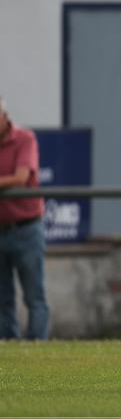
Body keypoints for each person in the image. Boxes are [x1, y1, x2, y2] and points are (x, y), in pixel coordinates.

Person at [0, 97, 49, 340]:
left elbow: (20, 177)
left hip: (26, 228)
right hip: (1, 229)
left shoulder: (25, 138)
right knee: (2, 300)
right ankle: (8, 347)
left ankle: (38, 348)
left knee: (34, 297)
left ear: (4, 117)